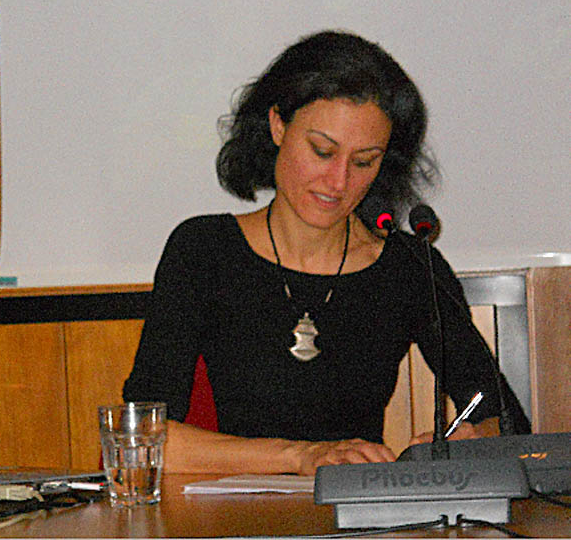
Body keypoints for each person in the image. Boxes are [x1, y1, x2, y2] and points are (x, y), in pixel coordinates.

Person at [122, 30, 529, 475]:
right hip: (236, 508)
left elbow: (505, 421)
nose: (338, 182)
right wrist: (301, 456)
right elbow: (143, 435)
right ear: (278, 125)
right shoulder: (204, 251)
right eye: (322, 151)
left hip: (358, 507)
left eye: (363, 161)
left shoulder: (408, 266)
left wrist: (474, 440)